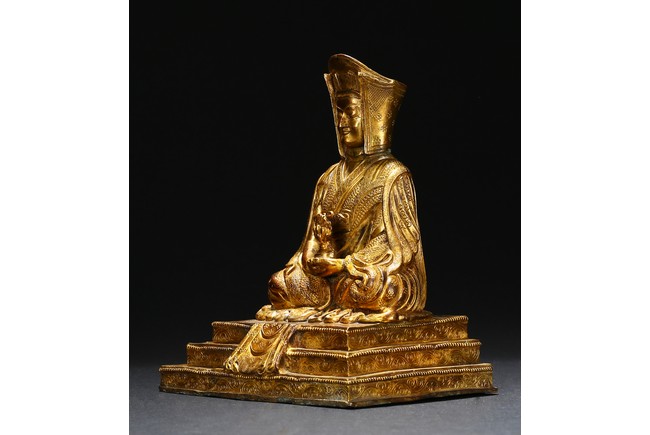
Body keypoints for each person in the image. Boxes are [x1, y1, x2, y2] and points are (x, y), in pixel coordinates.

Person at [256, 54, 428, 323]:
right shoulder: (328, 178)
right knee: (280, 284)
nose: (342, 121)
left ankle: (337, 300)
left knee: (379, 289)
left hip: (363, 275)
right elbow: (312, 237)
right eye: (339, 112)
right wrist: (312, 259)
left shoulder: (393, 175)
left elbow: (395, 245)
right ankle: (328, 301)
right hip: (329, 278)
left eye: (351, 113)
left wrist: (343, 264)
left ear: (371, 120)